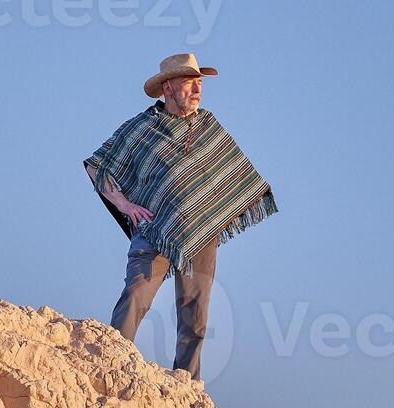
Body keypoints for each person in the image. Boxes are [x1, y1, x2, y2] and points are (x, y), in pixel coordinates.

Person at [84, 52, 278, 378]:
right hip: (154, 230)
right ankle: (110, 364)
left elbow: (229, 174)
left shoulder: (208, 125)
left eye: (199, 81)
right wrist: (126, 206)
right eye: (189, 80)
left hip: (200, 233)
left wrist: (214, 212)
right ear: (168, 87)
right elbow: (97, 167)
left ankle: (186, 382)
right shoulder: (142, 128)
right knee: (135, 297)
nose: (197, 87)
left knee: (196, 314)